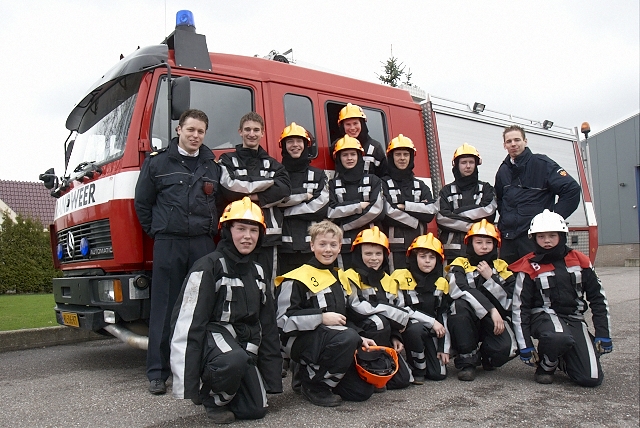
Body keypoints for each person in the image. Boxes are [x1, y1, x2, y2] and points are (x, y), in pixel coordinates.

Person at [169, 197, 282, 424]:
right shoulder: (208, 266)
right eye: (240, 229)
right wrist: (186, 382)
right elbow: (187, 323)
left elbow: (268, 324)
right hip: (215, 343)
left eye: (253, 230)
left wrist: (272, 380)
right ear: (227, 231)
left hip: (243, 348)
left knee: (256, 410)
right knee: (233, 360)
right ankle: (212, 398)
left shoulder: (259, 271)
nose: (247, 237)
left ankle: (230, 389)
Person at [134, 109, 221, 395]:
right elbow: (143, 205)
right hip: (169, 243)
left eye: (200, 131)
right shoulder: (158, 163)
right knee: (164, 308)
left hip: (201, 243)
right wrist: (160, 231)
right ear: (179, 130)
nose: (195, 135)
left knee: (202, 307)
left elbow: (218, 204)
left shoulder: (212, 165)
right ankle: (157, 373)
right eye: (190, 130)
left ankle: (199, 367)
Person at [275, 220, 377, 407]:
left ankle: (314, 376)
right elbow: (283, 321)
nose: (328, 250)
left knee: (362, 392)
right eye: (322, 244)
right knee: (346, 337)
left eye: (333, 244)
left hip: (333, 340)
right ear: (312, 245)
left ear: (340, 247)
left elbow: (345, 316)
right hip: (299, 341)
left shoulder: (340, 276)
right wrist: (320, 317)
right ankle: (313, 385)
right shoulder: (296, 278)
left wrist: (360, 337)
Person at [510, 210, 612, 386]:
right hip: (543, 316)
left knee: (591, 379)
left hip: (574, 318)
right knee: (558, 337)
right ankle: (547, 365)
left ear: (562, 235)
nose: (547, 240)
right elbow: (520, 308)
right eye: (541, 236)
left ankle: (564, 358)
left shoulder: (581, 260)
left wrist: (603, 333)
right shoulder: (528, 266)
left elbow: (598, 299)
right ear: (533, 238)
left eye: (552, 235)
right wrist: (525, 344)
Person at [219, 112, 292, 291]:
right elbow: (227, 189)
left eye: (256, 130)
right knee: (236, 284)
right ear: (240, 132)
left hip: (268, 235)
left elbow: (284, 190)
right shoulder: (227, 160)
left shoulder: (274, 164)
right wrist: (268, 183)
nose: (252, 133)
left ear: (263, 133)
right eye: (248, 130)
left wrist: (250, 196)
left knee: (268, 285)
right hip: (236, 235)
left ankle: (268, 319)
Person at [495, 125, 581, 264]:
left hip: (533, 239)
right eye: (509, 141)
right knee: (509, 280)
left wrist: (552, 219)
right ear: (504, 145)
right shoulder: (503, 170)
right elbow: (500, 200)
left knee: (536, 280)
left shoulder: (542, 164)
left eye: (517, 140)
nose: (513, 144)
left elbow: (572, 190)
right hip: (508, 240)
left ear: (525, 141)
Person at [446, 219, 518, 381]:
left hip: (494, 321)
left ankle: (485, 356)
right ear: (470, 243)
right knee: (458, 306)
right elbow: (458, 290)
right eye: (479, 242)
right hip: (470, 318)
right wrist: (490, 309)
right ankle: (467, 361)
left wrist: (491, 278)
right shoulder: (459, 264)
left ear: (495, 244)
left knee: (507, 349)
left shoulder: (501, 266)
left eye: (488, 242)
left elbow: (509, 301)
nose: (484, 246)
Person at [344, 226, 412, 390]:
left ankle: (379, 369)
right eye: (368, 254)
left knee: (402, 381)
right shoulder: (349, 276)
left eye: (378, 254)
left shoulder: (389, 280)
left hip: (384, 334)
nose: (374, 258)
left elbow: (396, 309)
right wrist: (393, 313)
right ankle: (371, 369)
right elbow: (356, 308)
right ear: (358, 254)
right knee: (377, 321)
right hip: (358, 334)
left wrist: (396, 336)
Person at [391, 233, 451, 383]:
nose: (427, 261)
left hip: (431, 331)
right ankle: (417, 368)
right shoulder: (400, 276)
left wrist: (443, 347)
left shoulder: (441, 282)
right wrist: (431, 322)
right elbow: (401, 309)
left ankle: (426, 361)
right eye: (423, 256)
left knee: (439, 374)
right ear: (413, 257)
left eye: (432, 257)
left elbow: (443, 314)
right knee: (415, 329)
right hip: (408, 327)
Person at [276, 122, 329, 275]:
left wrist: (285, 211)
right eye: (290, 141)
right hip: (283, 249)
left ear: (306, 145)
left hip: (311, 248)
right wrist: (305, 197)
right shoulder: (276, 173)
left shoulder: (319, 175)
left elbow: (321, 207)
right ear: (283, 146)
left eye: (299, 141)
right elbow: (272, 200)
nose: (295, 145)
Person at [327, 135, 384, 270]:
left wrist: (344, 225)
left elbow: (377, 211)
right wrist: (359, 206)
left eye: (353, 154)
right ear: (339, 158)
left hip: (370, 245)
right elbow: (330, 212)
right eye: (345, 155)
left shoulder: (373, 180)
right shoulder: (333, 184)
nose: (349, 158)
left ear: (359, 157)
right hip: (344, 245)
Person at [381, 134, 437, 271]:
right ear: (391, 157)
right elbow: (385, 213)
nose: (402, 158)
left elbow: (430, 212)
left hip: (420, 250)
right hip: (394, 250)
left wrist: (403, 206)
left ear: (411, 157)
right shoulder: (383, 183)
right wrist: (417, 217)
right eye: (398, 154)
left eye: (406, 154)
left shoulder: (421, 185)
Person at [437, 143, 497, 264]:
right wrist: (474, 226)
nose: (468, 166)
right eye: (463, 162)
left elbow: (489, 210)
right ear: (457, 165)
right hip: (452, 252)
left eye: (471, 162)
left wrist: (455, 214)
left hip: (482, 252)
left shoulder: (486, 188)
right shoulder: (446, 191)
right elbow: (442, 218)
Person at [333, 103, 387, 176]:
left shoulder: (375, 147)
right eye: (348, 124)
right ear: (342, 127)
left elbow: (383, 175)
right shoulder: (336, 146)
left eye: (355, 123)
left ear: (362, 123)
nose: (352, 128)